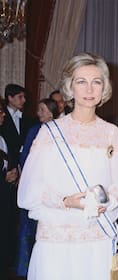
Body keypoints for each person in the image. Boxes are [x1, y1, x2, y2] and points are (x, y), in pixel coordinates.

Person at [17, 52, 118, 280]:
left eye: (97, 82)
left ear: (104, 89)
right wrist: (66, 201)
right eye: (81, 82)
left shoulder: (112, 132)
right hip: (57, 238)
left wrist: (107, 201)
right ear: (69, 87)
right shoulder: (49, 132)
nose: (90, 89)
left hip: (97, 238)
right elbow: (28, 193)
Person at [15, 98, 59, 277]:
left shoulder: (60, 129)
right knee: (28, 229)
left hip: (54, 187)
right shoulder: (34, 130)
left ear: (51, 111)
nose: (39, 113)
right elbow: (25, 157)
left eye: (42, 109)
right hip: (34, 184)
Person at [0, 83, 34, 275]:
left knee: (13, 217)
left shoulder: (28, 120)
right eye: (20, 97)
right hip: (7, 172)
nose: (24, 100)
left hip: (21, 172)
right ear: (10, 98)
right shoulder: (3, 123)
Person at [0, 99, 19, 277]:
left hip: (5, 197)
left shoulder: (2, 138)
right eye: (0, 112)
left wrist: (12, 175)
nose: (4, 114)